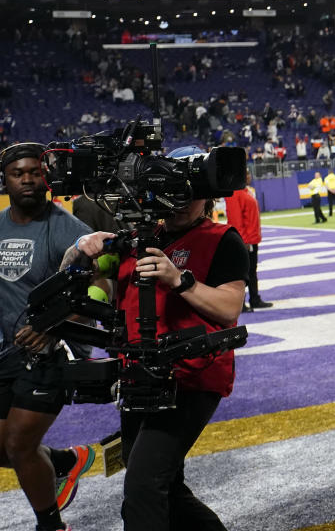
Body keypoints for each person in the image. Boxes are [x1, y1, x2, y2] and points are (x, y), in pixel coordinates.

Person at [75, 145, 249, 531]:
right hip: (138, 374)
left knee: (142, 486)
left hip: (190, 375)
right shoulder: (136, 237)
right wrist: (80, 250)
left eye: (192, 188)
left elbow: (229, 308)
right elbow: (86, 278)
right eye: (174, 188)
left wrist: (179, 280)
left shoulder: (223, 239)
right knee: (165, 488)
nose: (183, 200)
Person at [0, 143, 100, 531]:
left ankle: (52, 526)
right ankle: (63, 462)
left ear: (47, 178)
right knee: (6, 448)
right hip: (9, 351)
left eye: (35, 172)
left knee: (19, 446)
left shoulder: (68, 229)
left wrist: (54, 325)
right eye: (18, 173)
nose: (27, 179)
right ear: (5, 180)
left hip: (55, 350)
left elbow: (101, 286)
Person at [225, 170, 272, 312]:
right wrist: (242, 241)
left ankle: (254, 299)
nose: (249, 176)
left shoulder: (245, 191)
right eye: (246, 174)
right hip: (245, 241)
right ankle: (241, 303)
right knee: (242, 273)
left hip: (251, 239)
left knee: (251, 271)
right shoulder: (234, 193)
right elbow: (235, 220)